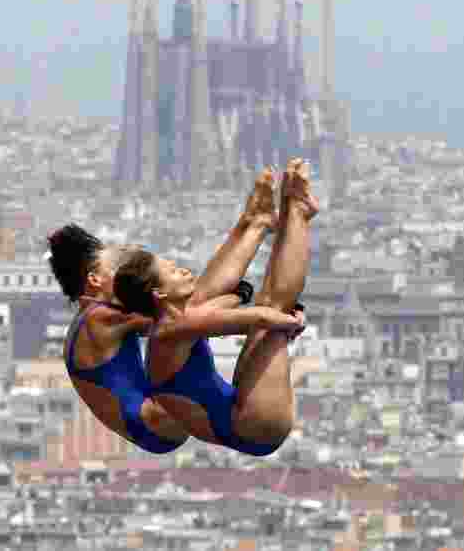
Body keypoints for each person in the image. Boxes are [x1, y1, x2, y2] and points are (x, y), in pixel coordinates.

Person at [113, 158, 319, 456]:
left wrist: (242, 296)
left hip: (238, 413)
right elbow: (253, 317)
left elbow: (218, 308)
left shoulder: (175, 323)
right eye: (173, 272)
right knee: (275, 307)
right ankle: (297, 211)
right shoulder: (170, 331)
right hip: (254, 425)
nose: (183, 270)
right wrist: (288, 323)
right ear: (158, 293)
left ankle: (258, 223)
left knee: (211, 302)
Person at [46, 225, 190, 454]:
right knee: (178, 322)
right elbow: (174, 316)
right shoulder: (99, 317)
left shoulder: (89, 318)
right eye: (116, 269)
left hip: (150, 427)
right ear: (95, 279)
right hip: (153, 417)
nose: (126, 275)